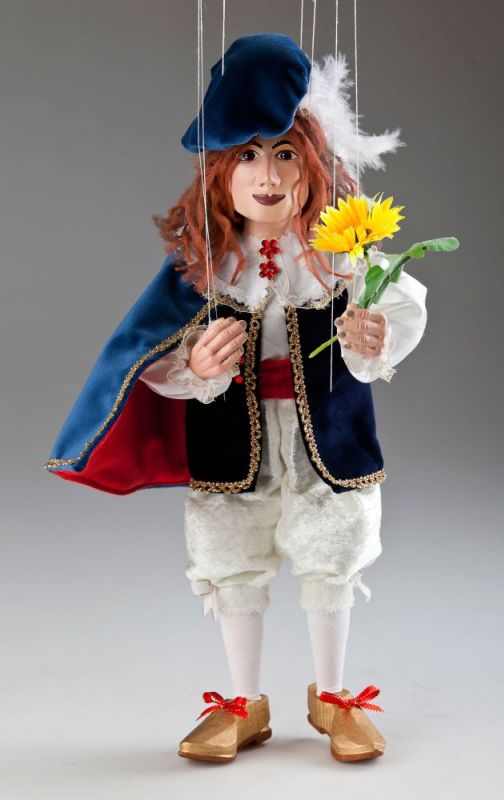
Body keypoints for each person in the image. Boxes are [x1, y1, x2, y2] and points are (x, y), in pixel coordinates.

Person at [46, 34, 427, 764]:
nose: (268, 175)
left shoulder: (343, 255)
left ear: (316, 164)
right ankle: (243, 703)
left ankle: (333, 695)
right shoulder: (207, 265)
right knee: (230, 557)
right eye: (248, 155)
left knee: (332, 551)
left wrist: (372, 335)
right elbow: (146, 352)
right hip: (232, 442)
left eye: (285, 153)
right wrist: (195, 365)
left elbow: (402, 304)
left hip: (328, 436)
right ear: (220, 171)